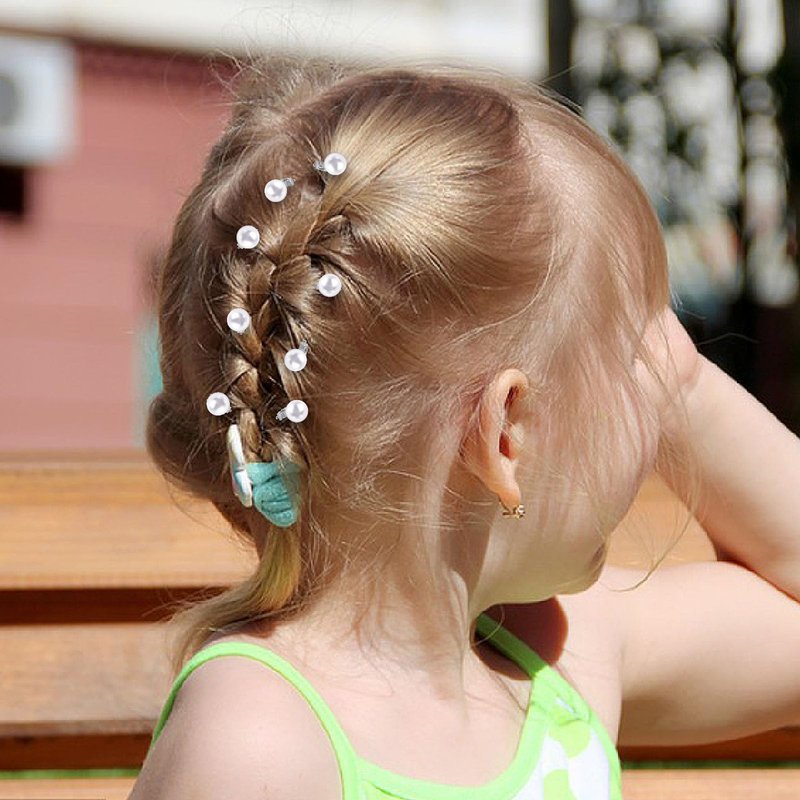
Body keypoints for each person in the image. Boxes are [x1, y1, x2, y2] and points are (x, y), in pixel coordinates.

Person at [129, 54, 800, 800]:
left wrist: (681, 381)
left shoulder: (560, 658)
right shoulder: (258, 742)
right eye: (631, 362)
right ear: (509, 434)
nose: (657, 388)